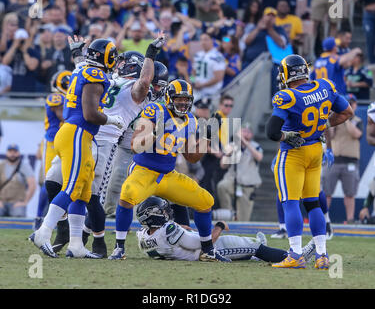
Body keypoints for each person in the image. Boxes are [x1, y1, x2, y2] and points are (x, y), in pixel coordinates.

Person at [110, 78, 231, 262]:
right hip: (144, 171)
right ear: (168, 98)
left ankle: (208, 250)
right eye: (178, 99)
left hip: (167, 175)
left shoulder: (191, 120)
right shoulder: (155, 110)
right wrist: (155, 133)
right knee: (127, 196)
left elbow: (191, 157)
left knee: (205, 201)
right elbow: (135, 145)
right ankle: (119, 248)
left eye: (186, 100)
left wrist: (208, 136)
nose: (183, 103)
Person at [29, 38, 125, 259]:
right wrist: (112, 120)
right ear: (106, 57)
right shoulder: (95, 75)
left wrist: (77, 54)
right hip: (78, 133)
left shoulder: (83, 70)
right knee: (72, 188)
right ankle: (43, 231)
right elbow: (90, 114)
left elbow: (82, 69)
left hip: (75, 133)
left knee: (83, 191)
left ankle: (76, 245)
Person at [266, 54, 353, 269]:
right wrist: (323, 126)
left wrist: (288, 136)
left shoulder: (287, 96)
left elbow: (271, 132)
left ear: (287, 74)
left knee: (291, 202)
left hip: (294, 153)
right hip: (316, 150)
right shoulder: (325, 85)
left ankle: (295, 254)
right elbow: (347, 112)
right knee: (313, 203)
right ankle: (322, 255)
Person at [135, 196, 316, 262]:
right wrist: (220, 226)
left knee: (251, 249)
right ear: (154, 215)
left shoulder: (144, 236)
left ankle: (260, 253)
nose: (167, 212)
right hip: (210, 251)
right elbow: (203, 243)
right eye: (162, 211)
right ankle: (295, 256)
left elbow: (169, 244)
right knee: (253, 246)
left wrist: (181, 230)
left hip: (191, 251)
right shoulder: (167, 230)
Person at [102, 59, 169, 219]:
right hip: (125, 146)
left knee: (148, 187)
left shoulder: (163, 103)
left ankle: (144, 218)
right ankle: (109, 214)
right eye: (153, 84)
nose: (156, 89)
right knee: (115, 180)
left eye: (160, 85)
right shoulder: (135, 92)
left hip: (150, 149)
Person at [33, 70, 71, 230]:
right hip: (52, 143)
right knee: (49, 181)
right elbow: (64, 115)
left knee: (66, 181)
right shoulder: (55, 97)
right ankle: (39, 217)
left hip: (65, 141)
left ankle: (59, 219)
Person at [322, 94, 363, 224]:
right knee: (327, 192)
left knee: (350, 194)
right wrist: (337, 118)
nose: (350, 105)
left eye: (352, 103)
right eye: (348, 103)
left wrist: (347, 118)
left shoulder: (357, 120)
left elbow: (356, 134)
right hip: (334, 160)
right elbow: (330, 135)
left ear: (355, 105)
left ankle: (350, 219)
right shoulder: (335, 119)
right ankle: (324, 219)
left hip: (350, 161)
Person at [217, 124, 263, 221]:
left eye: (248, 131)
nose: (245, 133)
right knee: (222, 186)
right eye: (243, 131)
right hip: (232, 180)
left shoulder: (256, 146)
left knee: (243, 219)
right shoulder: (232, 145)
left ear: (252, 134)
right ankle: (229, 213)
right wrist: (229, 153)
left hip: (248, 185)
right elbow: (223, 165)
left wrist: (245, 143)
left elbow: (259, 157)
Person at [200, 95, 234, 203]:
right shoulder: (217, 117)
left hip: (218, 157)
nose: (228, 108)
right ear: (220, 105)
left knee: (214, 186)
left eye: (231, 105)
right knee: (209, 186)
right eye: (226, 105)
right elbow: (204, 137)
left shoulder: (224, 118)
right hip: (211, 159)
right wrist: (215, 152)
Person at [0, 144, 36, 217]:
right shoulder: (1, 165)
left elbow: (32, 185)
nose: (12, 154)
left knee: (19, 216)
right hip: (1, 202)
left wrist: (25, 202)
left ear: (18, 153)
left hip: (17, 203)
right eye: (10, 151)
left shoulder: (24, 166)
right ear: (6, 153)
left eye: (15, 151)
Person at [192, 33, 226, 107]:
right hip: (197, 93)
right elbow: (193, 72)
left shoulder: (217, 56)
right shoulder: (198, 55)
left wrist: (202, 85)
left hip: (211, 95)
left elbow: (218, 78)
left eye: (206, 39)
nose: (203, 42)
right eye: (201, 40)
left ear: (212, 41)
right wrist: (193, 82)